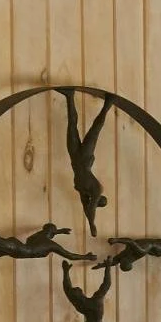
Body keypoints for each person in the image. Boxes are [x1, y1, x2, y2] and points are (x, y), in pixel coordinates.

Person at [61, 88, 115, 238]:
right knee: (95, 129)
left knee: (72, 126)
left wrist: (90, 221)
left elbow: (86, 208)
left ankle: (69, 96)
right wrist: (92, 225)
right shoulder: (96, 188)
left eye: (96, 202)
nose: (94, 203)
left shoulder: (83, 192)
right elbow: (90, 210)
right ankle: (108, 105)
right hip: (85, 157)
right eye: (97, 203)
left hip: (74, 156)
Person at [0, 223, 93, 262]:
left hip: (16, 248)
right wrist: (86, 257)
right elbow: (70, 256)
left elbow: (47, 231)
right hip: (17, 249)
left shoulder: (38, 236)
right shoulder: (50, 244)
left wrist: (59, 231)